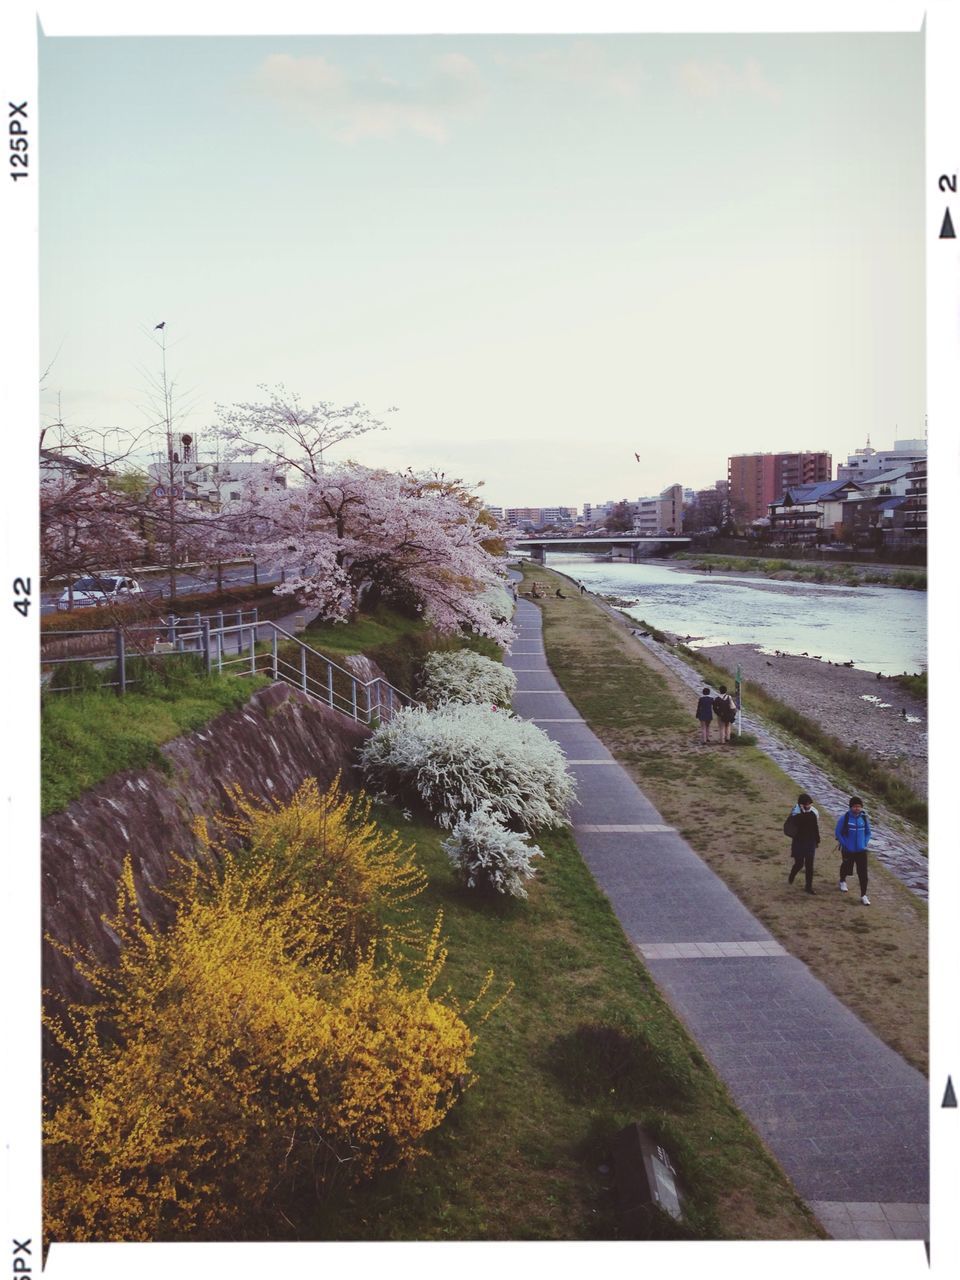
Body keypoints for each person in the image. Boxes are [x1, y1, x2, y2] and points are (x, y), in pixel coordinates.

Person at [835, 796, 872, 905]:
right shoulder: (844, 818)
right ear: (851, 807)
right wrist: (845, 843)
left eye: (859, 807)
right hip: (848, 850)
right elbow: (838, 832)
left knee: (863, 873)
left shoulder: (864, 818)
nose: (857, 808)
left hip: (861, 850)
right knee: (846, 867)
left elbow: (868, 832)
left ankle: (863, 895)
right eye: (855, 806)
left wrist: (865, 842)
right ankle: (842, 880)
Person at [784, 792, 820, 893]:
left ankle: (808, 887)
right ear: (801, 805)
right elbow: (792, 826)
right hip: (799, 842)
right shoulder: (796, 815)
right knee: (799, 863)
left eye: (810, 804)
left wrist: (817, 840)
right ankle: (792, 874)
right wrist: (801, 813)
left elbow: (815, 828)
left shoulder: (813, 814)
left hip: (810, 843)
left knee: (809, 865)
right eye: (806, 804)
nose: (808, 806)